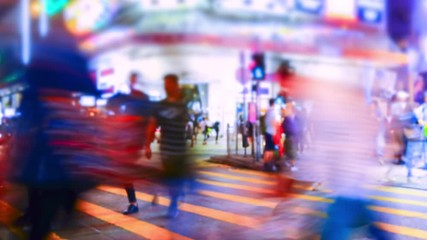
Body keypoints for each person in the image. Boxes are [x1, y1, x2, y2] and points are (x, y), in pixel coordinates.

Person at [106, 72, 155, 215]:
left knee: (126, 172)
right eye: (131, 81)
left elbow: (150, 122)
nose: (132, 84)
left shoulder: (143, 101)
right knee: (127, 172)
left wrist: (147, 144)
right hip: (127, 142)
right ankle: (145, 195)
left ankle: (134, 203)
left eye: (135, 81)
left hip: (135, 142)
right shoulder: (128, 101)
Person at [153, 74, 192, 218]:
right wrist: (147, 143)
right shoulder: (161, 105)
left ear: (175, 85)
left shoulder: (182, 105)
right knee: (169, 177)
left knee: (176, 176)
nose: (167, 87)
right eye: (165, 84)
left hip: (180, 149)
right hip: (166, 149)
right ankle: (176, 194)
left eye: (169, 84)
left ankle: (174, 202)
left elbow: (186, 125)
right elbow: (153, 123)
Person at [282, 102, 299, 172]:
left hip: (290, 137)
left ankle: (288, 163)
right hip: (291, 137)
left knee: (289, 151)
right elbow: (291, 129)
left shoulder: (288, 118)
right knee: (292, 152)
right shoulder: (288, 118)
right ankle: (293, 166)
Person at [263, 98, 278, 171]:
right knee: (271, 149)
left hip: (267, 131)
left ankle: (266, 164)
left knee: (267, 148)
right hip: (271, 132)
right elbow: (273, 123)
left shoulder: (267, 111)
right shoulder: (272, 112)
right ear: (274, 104)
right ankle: (270, 165)